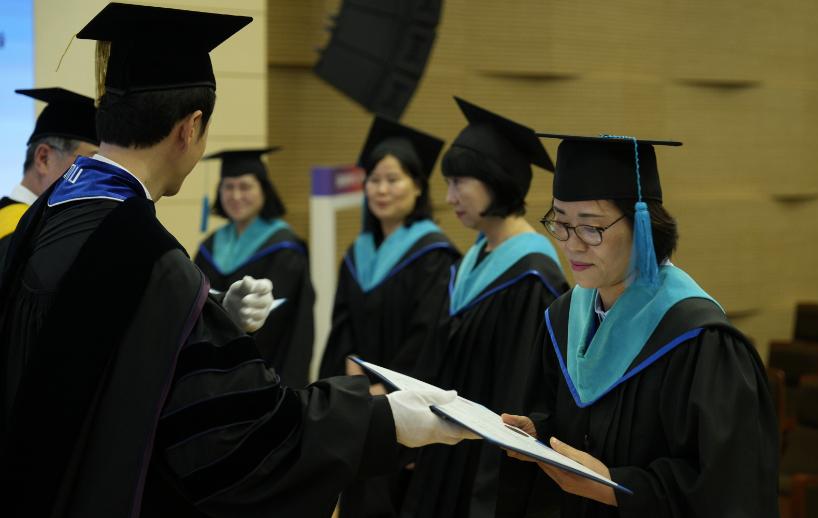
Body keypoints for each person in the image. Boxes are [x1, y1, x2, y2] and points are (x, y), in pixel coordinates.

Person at [0, 4, 474, 518]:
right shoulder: (149, 256)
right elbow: (239, 439)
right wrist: (384, 419)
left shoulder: (45, 214)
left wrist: (206, 313)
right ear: (191, 128)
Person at [501, 134, 779, 517]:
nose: (571, 245)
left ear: (643, 227)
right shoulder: (563, 317)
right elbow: (560, 415)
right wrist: (537, 432)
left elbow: (729, 483)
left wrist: (619, 487)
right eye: (560, 223)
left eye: (591, 228)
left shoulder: (698, 338)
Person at [400, 98, 569, 518]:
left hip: (485, 464)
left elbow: (520, 387)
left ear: (497, 180)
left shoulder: (532, 275)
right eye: (448, 183)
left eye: (459, 182)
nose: (449, 196)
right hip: (448, 449)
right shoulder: (474, 258)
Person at [319, 116, 460, 517]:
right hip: (360, 404)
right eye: (374, 180)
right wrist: (351, 379)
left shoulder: (435, 256)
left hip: (404, 403)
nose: (381, 190)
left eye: (393, 179)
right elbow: (341, 325)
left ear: (417, 187)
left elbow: (428, 334)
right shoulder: (357, 253)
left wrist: (385, 388)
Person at [195, 147, 315, 387]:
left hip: (266, 375)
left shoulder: (285, 248)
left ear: (264, 190)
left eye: (245, 186)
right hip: (214, 377)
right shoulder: (209, 246)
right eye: (228, 187)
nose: (236, 195)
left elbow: (295, 327)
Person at [0, 88, 98, 242]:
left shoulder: (42, 226)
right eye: (90, 162)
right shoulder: (15, 231)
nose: (99, 177)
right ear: (43, 159)